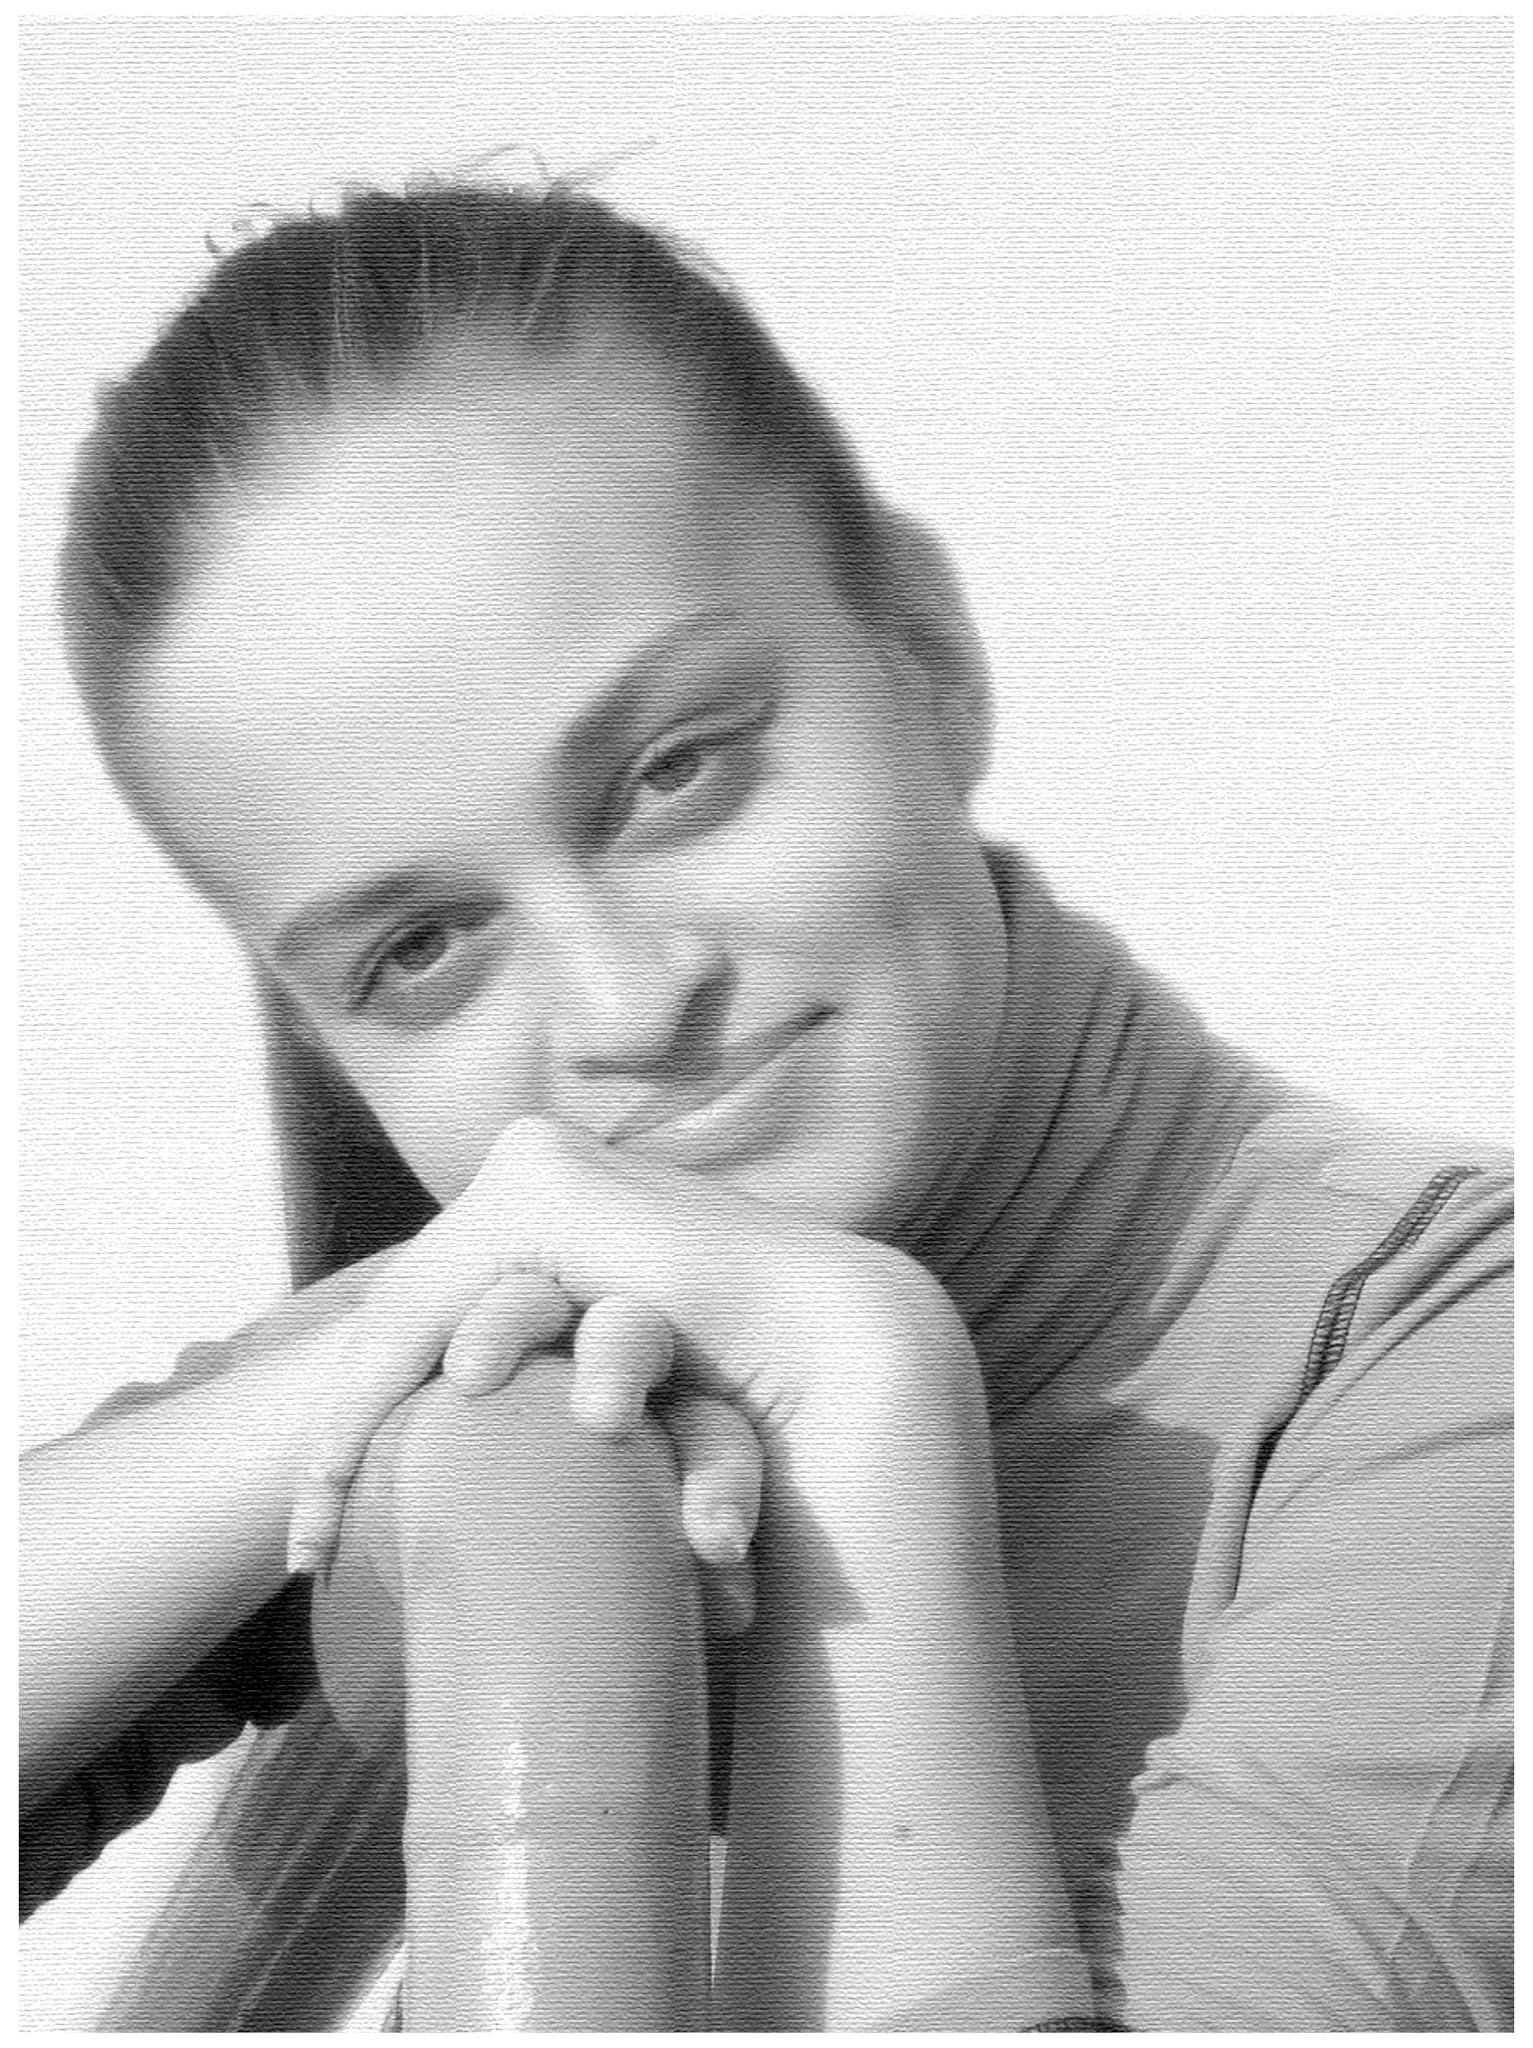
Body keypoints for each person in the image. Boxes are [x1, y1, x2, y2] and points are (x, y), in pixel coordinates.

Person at [20, 176, 1511, 2030]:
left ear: (927, 658)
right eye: (419, 949)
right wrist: (343, 1367)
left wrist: (857, 1401)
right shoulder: (481, 1330)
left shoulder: (1452, 1371)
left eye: (675, 772)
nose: (629, 1007)